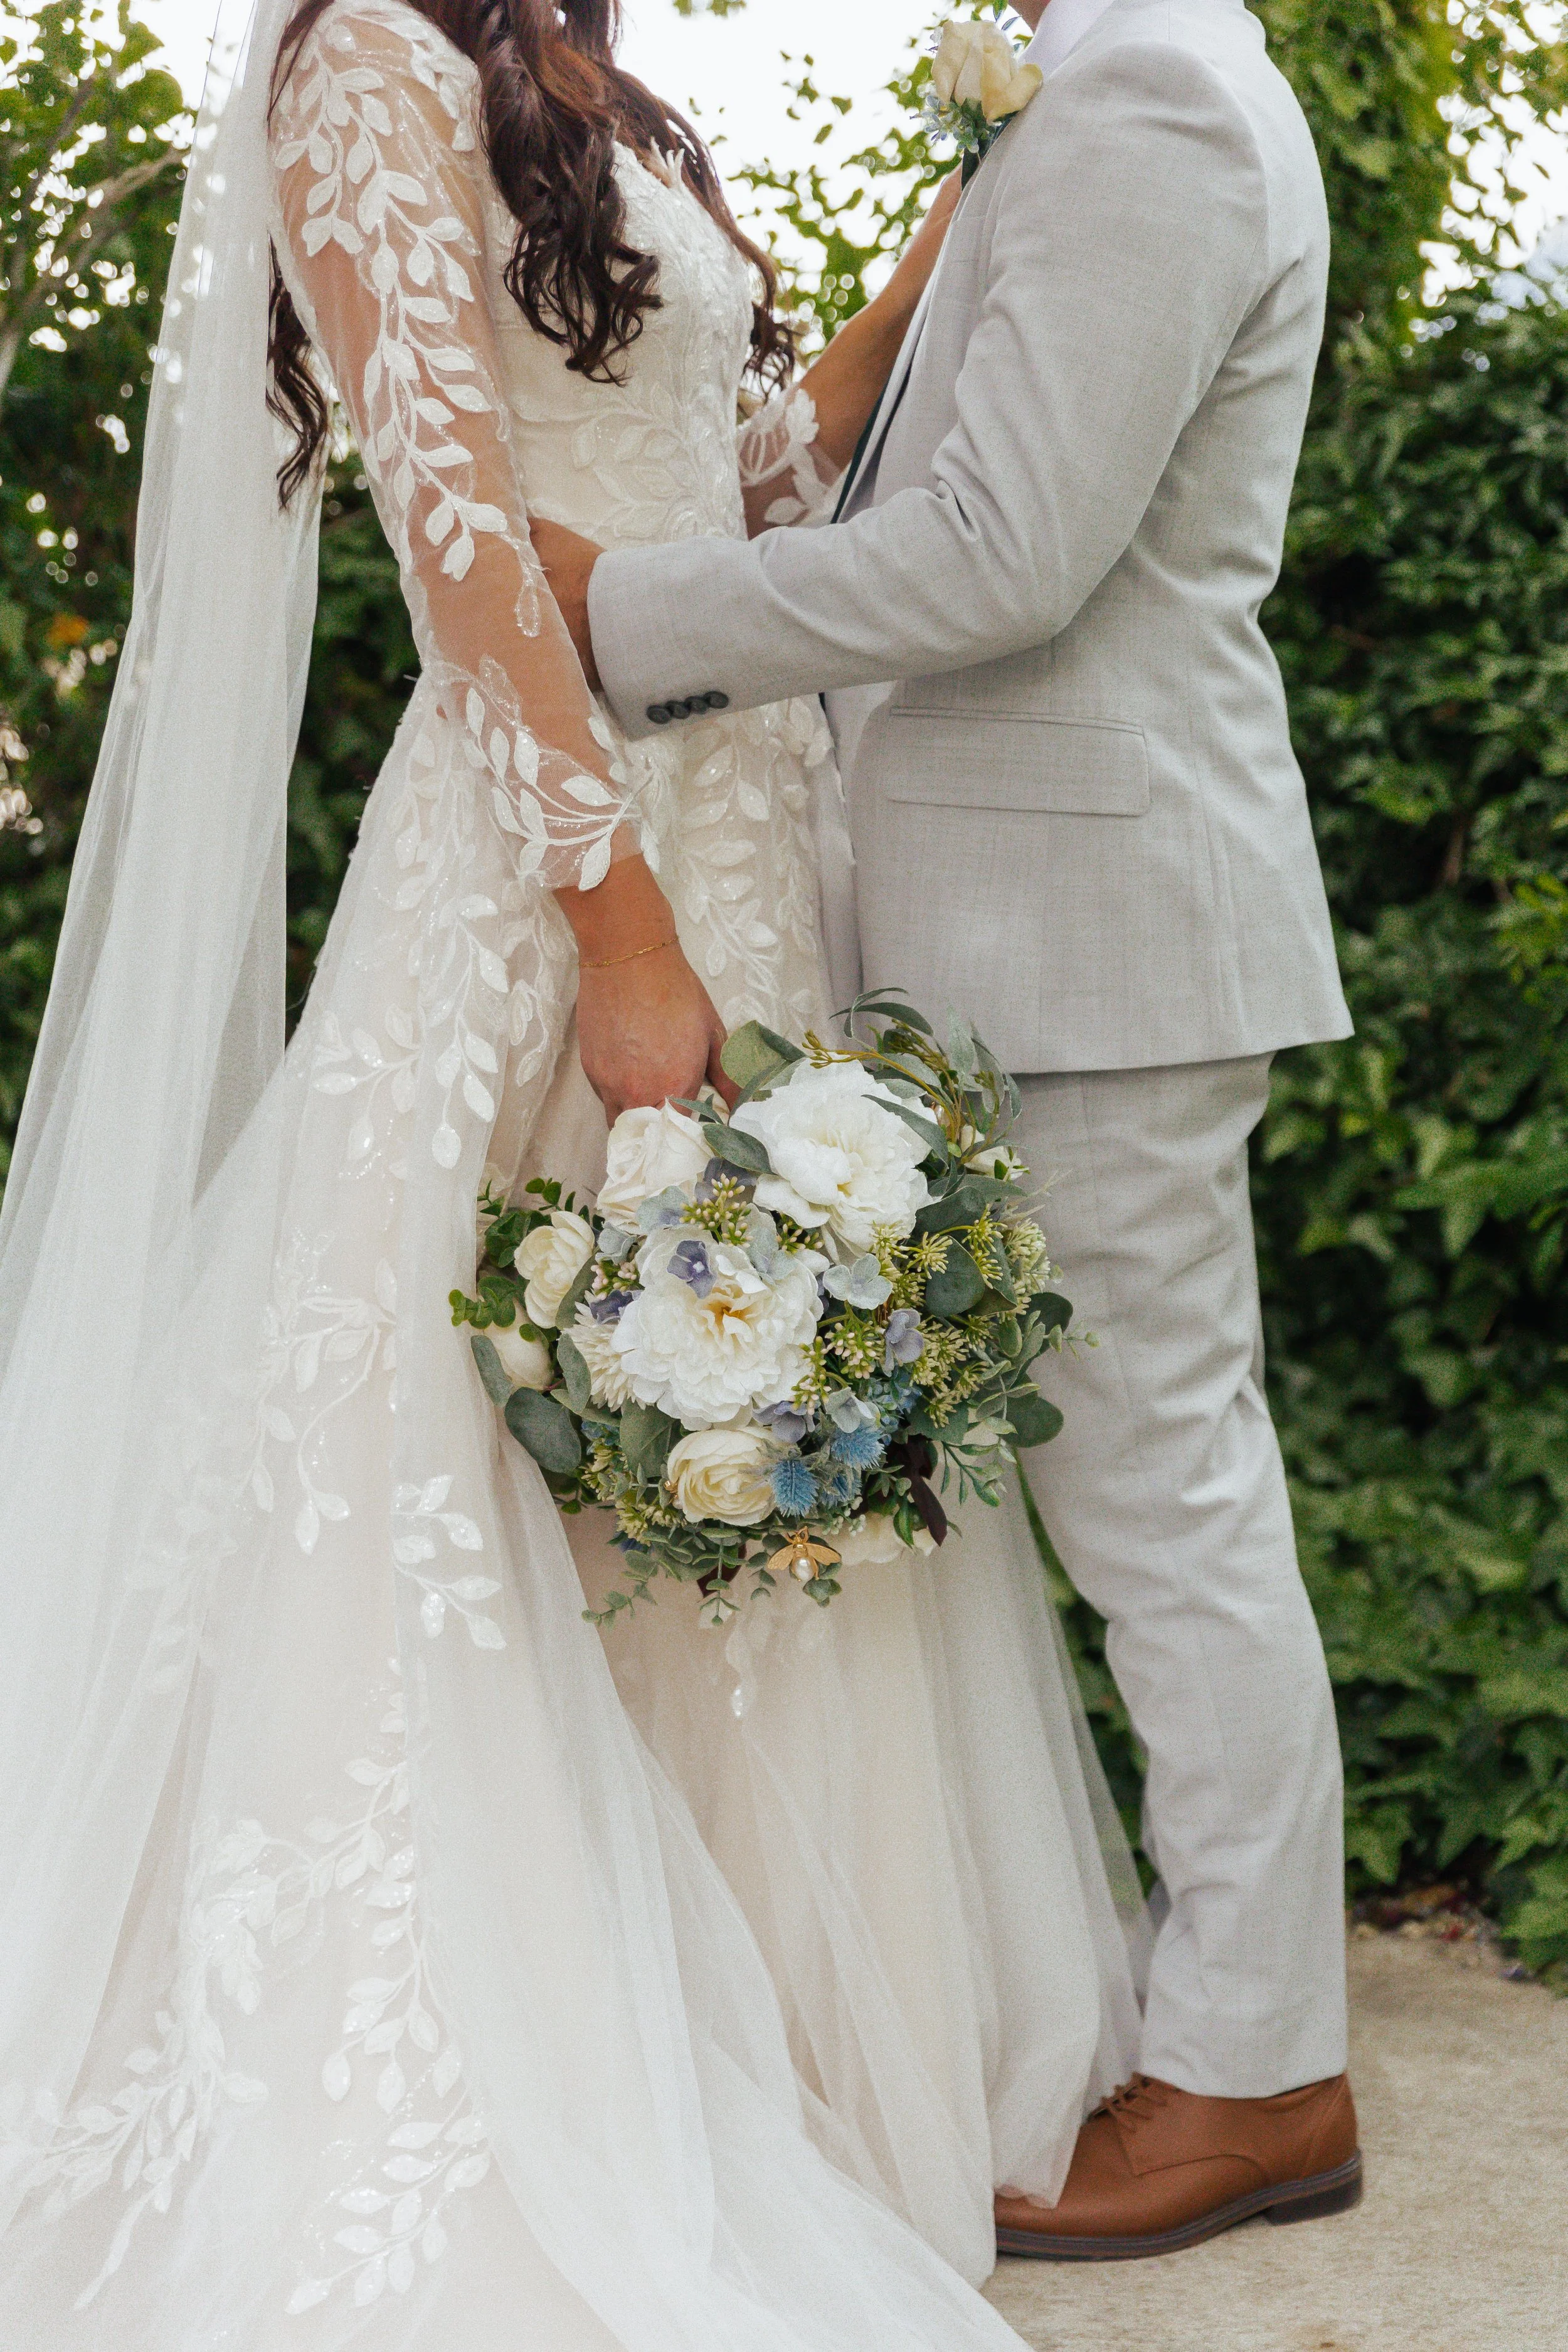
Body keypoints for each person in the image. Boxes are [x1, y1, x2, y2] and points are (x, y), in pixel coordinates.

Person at [0, 0, 1151, 2341]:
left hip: (748, 822)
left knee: (723, 1410)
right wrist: (613, 925)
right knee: (497, 1424)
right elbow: (456, 544)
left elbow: (742, 488)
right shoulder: (364, 77)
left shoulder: (595, 93)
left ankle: (783, 2041)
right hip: (553, 869)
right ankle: (523, 2032)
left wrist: (927, 282)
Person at [534, 0, 1365, 2263]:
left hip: (1099, 929)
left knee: (1165, 1502)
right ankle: (1209, 2023)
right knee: (1140, 1496)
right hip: (1043, 915)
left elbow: (1005, 552)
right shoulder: (1098, 77)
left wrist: (624, 609)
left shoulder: (1155, 94)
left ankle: (1259, 2066)